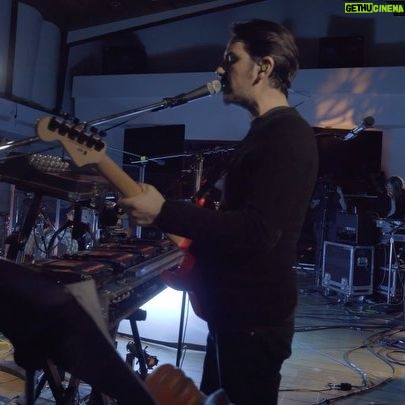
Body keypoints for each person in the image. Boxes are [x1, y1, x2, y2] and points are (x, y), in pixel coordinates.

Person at [119, 19, 318, 405]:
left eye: (231, 59)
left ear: (263, 67)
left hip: (253, 319)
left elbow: (257, 232)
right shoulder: (265, 131)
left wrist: (164, 211)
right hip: (236, 314)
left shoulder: (287, 135)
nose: (220, 69)